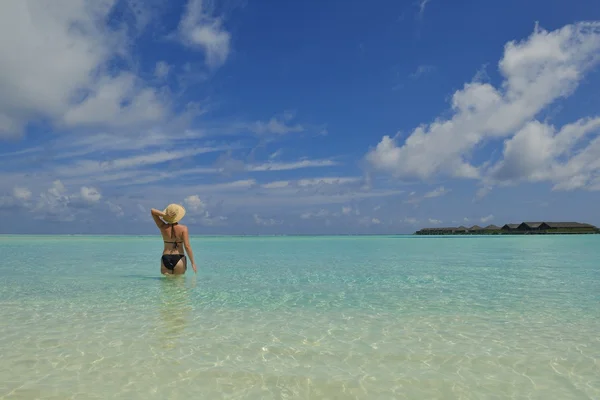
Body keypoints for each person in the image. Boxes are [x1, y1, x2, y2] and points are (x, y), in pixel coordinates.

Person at [151, 204, 197, 275]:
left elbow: (152, 211)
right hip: (179, 258)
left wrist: (164, 215)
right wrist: (193, 263)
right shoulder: (184, 229)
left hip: (165, 258)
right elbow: (187, 246)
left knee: (166, 285)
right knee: (179, 284)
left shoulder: (162, 226)